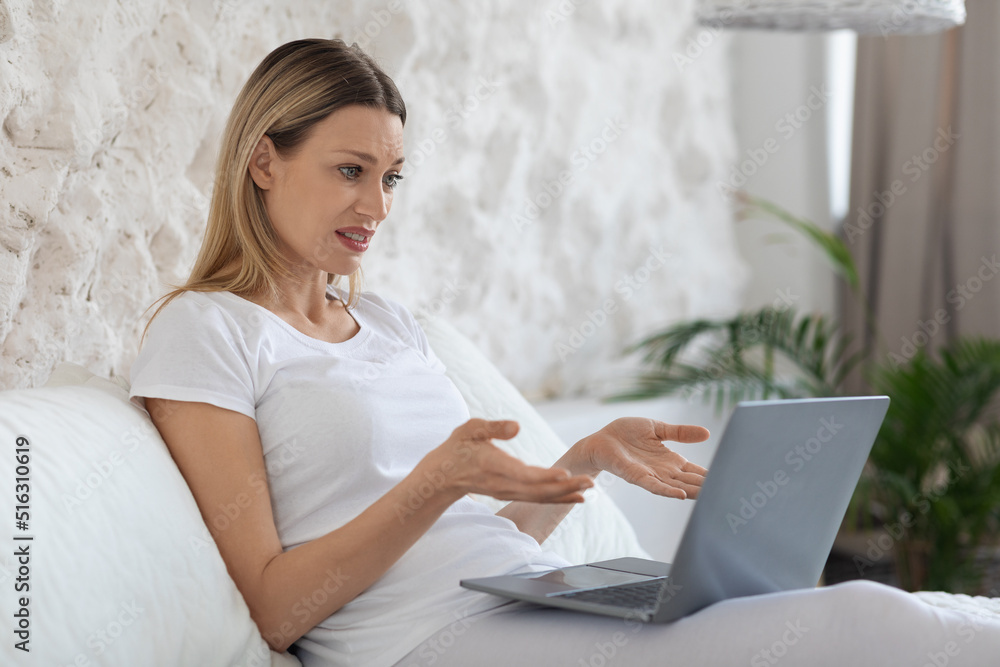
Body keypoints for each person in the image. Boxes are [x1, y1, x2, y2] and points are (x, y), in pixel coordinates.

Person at [128, 38, 1000, 667]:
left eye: (390, 178)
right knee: (868, 621)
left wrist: (580, 462)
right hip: (423, 643)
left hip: (529, 597)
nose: (378, 207)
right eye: (350, 170)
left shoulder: (391, 324)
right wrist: (436, 481)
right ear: (264, 161)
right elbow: (276, 611)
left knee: (862, 618)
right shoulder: (207, 330)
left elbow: (470, 544)